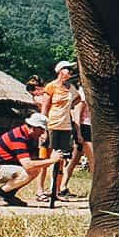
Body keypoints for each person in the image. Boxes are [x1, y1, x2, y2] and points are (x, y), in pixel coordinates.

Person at [0, 112, 64, 206]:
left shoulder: (27, 136)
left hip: (0, 166)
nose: (43, 133)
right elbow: (28, 164)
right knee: (25, 173)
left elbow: (32, 160)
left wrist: (48, 159)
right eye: (42, 130)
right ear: (34, 128)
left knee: (34, 170)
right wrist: (52, 160)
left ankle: (8, 196)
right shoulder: (18, 137)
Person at [38, 61, 80, 201]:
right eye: (68, 69)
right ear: (60, 71)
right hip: (52, 125)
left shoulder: (71, 88)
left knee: (61, 160)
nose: (70, 72)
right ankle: (40, 190)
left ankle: (55, 192)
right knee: (46, 158)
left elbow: (78, 99)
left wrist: (67, 109)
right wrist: (44, 129)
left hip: (66, 127)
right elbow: (44, 108)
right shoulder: (51, 87)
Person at [64, 91, 93, 188]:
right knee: (92, 159)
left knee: (74, 159)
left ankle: (63, 186)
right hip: (84, 128)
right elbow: (77, 116)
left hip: (91, 127)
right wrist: (79, 133)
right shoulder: (82, 95)